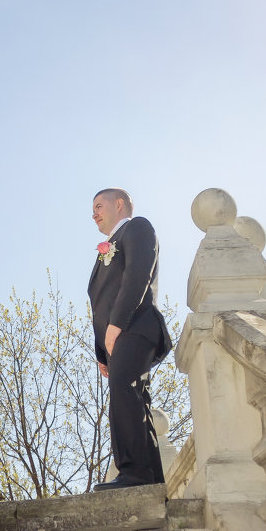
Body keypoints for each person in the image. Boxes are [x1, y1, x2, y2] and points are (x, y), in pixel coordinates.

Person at [87, 188, 173, 491]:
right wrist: (102, 353)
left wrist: (115, 327)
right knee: (130, 397)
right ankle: (149, 481)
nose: (94, 213)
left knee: (126, 393)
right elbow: (100, 302)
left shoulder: (137, 228)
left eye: (99, 205)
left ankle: (135, 473)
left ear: (119, 204)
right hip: (116, 340)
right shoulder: (106, 249)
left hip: (135, 326)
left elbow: (138, 276)